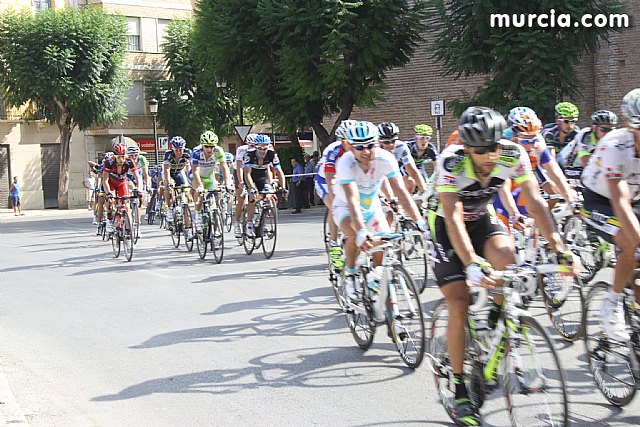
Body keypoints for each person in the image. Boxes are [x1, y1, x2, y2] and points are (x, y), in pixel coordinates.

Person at [430, 106, 575, 425]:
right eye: (481, 150)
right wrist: (470, 263)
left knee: (509, 263)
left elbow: (535, 202)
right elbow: (453, 217)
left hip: (482, 218)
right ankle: (460, 391)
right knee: (459, 302)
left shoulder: (513, 154)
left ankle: (497, 322)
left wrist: (560, 249)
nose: (489, 155)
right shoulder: (452, 161)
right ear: (467, 148)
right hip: (445, 226)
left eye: (494, 146)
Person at [333, 120, 426, 303]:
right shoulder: (346, 163)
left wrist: (419, 221)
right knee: (353, 236)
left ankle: (376, 280)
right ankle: (350, 275)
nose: (366, 152)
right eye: (360, 147)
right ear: (350, 147)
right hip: (345, 206)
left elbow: (400, 192)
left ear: (376, 143)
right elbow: (353, 199)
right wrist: (361, 231)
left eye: (370, 145)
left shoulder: (385, 158)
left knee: (382, 244)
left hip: (370, 206)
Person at [581, 89, 640, 342]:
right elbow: (620, 200)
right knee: (631, 243)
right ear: (632, 126)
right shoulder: (616, 145)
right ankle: (612, 303)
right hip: (600, 201)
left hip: (633, 198)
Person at [243, 135, 286, 237]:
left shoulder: (271, 154)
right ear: (256, 147)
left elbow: (279, 172)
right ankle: (249, 223)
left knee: (268, 195)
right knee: (253, 197)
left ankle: (262, 219)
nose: (262, 151)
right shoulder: (250, 154)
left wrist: (283, 187)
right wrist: (251, 188)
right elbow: (247, 174)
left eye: (265, 148)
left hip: (262, 176)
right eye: (260, 148)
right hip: (251, 177)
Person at [191, 131, 231, 231]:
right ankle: (198, 216)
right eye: (207, 146)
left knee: (215, 203)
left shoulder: (218, 151)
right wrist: (199, 185)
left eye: (212, 146)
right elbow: (195, 169)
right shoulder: (196, 152)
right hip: (197, 176)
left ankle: (216, 233)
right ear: (202, 145)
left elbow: (224, 167)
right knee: (199, 193)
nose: (210, 149)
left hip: (209, 176)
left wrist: (228, 183)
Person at [163, 136, 192, 224]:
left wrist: (192, 181)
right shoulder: (168, 154)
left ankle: (186, 219)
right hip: (169, 173)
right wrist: (168, 184)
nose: (179, 152)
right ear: (173, 149)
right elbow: (166, 170)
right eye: (176, 150)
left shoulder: (188, 153)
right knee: (169, 187)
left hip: (179, 172)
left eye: (181, 149)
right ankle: (169, 209)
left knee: (185, 192)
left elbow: (191, 169)